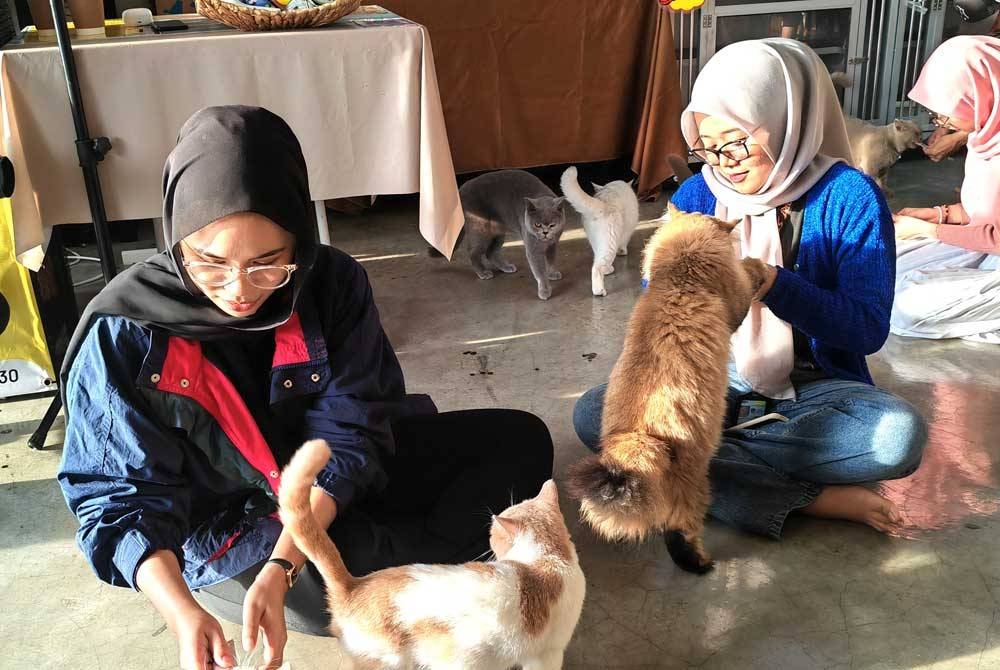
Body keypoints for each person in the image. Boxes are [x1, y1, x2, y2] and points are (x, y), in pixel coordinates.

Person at [57, 106, 554, 670]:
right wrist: (181, 612)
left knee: (524, 441)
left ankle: (382, 572)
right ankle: (399, 568)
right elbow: (120, 498)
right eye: (209, 262)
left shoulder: (332, 282)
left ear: (299, 240)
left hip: (321, 495)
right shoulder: (127, 330)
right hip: (238, 521)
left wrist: (285, 564)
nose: (239, 290)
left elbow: (351, 433)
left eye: (268, 262)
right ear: (175, 238)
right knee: (341, 583)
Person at [573, 39, 927, 541]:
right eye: (709, 147)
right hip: (710, 382)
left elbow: (866, 330)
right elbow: (658, 305)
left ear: (784, 120)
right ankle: (805, 498)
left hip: (812, 386)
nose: (724, 162)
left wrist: (774, 283)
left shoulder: (850, 196)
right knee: (592, 413)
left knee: (897, 438)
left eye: (737, 141)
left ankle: (702, 468)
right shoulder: (699, 193)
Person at [891, 36, 1000, 341]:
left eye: (945, 113)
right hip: (987, 248)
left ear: (979, 94)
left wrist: (927, 231)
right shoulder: (986, 134)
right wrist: (939, 214)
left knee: (907, 309)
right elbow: (986, 213)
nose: (941, 123)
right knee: (883, 267)